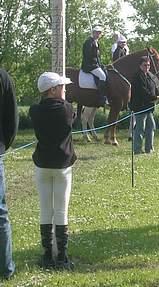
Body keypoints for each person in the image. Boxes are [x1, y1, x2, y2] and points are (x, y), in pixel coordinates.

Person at [29, 72, 77, 270]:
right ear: (53, 90)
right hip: (63, 165)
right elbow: (71, 118)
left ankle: (48, 255)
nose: (64, 89)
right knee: (61, 210)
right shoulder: (66, 109)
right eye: (61, 87)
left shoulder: (34, 111)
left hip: (42, 163)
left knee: (45, 209)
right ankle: (62, 256)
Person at [0, 68, 18, 280]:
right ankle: (6, 269)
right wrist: (5, 144)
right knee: (1, 214)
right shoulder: (3, 76)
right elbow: (11, 119)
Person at [130, 57, 159, 154]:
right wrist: (156, 97)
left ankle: (149, 149)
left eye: (148, 65)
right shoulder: (137, 77)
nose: (147, 67)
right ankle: (137, 150)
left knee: (151, 126)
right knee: (140, 128)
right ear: (140, 65)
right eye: (145, 65)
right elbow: (143, 92)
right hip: (140, 106)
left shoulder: (148, 75)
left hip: (148, 107)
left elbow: (153, 88)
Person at [82, 25, 107, 106]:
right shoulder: (89, 42)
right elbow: (88, 55)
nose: (98, 34)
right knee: (102, 76)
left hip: (95, 64)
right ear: (93, 33)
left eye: (99, 33)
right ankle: (101, 97)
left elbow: (98, 57)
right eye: (96, 32)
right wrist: (95, 49)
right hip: (89, 65)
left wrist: (100, 64)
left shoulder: (96, 43)